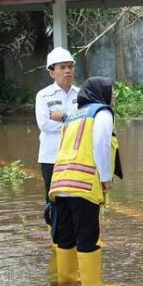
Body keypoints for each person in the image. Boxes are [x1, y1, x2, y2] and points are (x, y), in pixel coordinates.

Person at [48, 76, 121, 286]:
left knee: (66, 237)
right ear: (102, 92)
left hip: (60, 184)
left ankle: (66, 285)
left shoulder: (72, 116)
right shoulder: (102, 112)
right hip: (83, 185)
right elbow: (101, 143)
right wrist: (105, 178)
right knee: (88, 236)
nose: (113, 95)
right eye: (112, 91)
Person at [36, 47, 79, 204]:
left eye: (70, 66)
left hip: (76, 157)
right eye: (62, 67)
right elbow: (45, 125)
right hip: (51, 157)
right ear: (52, 72)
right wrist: (74, 122)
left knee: (76, 200)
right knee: (53, 201)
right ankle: (53, 229)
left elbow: (86, 124)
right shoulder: (43, 96)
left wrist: (62, 118)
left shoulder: (81, 94)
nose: (68, 71)